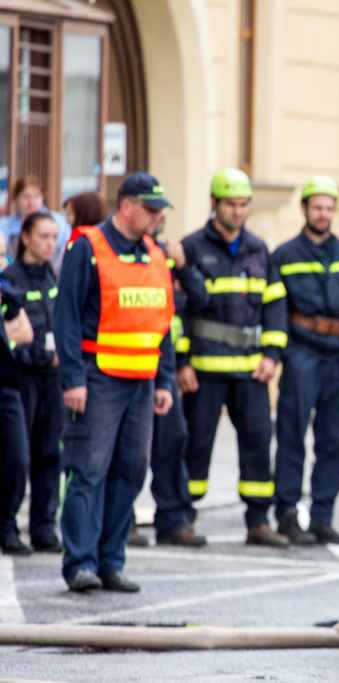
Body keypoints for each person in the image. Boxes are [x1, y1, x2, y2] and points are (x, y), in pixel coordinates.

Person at [54, 172, 176, 592]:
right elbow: (67, 316)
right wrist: (73, 378)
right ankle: (80, 563)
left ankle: (110, 561)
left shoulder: (155, 254)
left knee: (132, 471)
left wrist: (165, 380)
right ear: (127, 206)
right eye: (152, 209)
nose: (158, 217)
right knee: (89, 470)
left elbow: (163, 324)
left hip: (142, 381)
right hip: (98, 377)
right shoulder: (88, 247)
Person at [177, 169, 289, 547]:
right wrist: (182, 362)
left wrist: (272, 354)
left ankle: (258, 521)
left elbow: (275, 305)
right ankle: (183, 517)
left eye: (243, 205)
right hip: (204, 370)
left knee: (258, 441)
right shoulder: (191, 248)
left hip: (250, 370)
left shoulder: (259, 249)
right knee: (195, 444)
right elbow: (178, 310)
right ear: (214, 203)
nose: (238, 211)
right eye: (231, 204)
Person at [271, 176, 339, 545]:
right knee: (292, 435)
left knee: (337, 439)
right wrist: (287, 352)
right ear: (305, 209)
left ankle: (322, 517)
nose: (324, 214)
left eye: (329, 208)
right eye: (317, 208)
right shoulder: (284, 255)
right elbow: (276, 310)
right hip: (303, 355)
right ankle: (287, 514)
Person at [132, 209, 208, 548]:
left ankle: (174, 520)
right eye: (152, 211)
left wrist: (183, 266)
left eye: (161, 212)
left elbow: (201, 300)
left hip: (164, 368)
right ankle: (122, 522)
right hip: (127, 369)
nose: (159, 217)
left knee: (173, 443)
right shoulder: (121, 255)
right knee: (129, 452)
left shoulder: (169, 255)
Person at [2, 213, 63, 552]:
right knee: (17, 456)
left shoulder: (53, 275)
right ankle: (7, 525)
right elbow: (11, 339)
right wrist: (40, 356)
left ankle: (43, 526)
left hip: (53, 379)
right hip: (23, 378)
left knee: (50, 453)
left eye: (54, 237)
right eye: (43, 236)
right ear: (25, 238)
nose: (50, 243)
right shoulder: (12, 279)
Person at [0, 282, 31, 555]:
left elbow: (26, 332)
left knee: (18, 459)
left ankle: (7, 526)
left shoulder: (7, 290)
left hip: (7, 386)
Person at [0, 175, 72, 273]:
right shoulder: (4, 225)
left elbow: (65, 252)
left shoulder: (58, 221)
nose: (31, 202)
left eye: (36, 197)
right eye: (26, 197)